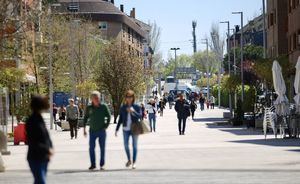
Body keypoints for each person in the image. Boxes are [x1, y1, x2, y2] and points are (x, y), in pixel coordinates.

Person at [26, 95, 53, 184]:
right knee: (40, 181)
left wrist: (50, 147)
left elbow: (46, 136)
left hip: (43, 157)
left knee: (39, 181)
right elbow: (32, 140)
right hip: (35, 157)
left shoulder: (40, 118)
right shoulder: (32, 121)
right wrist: (47, 149)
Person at [83, 91, 111, 170]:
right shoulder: (89, 107)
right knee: (91, 148)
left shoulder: (103, 106)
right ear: (92, 99)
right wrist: (84, 129)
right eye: (95, 98)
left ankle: (102, 164)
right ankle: (93, 164)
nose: (97, 99)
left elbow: (108, 116)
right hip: (92, 131)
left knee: (102, 148)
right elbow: (85, 118)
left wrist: (106, 126)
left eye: (98, 98)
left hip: (102, 131)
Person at [115, 90, 142, 169]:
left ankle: (134, 162)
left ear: (133, 98)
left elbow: (140, 116)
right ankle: (129, 159)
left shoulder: (136, 106)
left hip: (134, 128)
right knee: (126, 145)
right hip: (125, 129)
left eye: (130, 97)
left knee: (134, 146)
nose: (129, 98)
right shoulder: (123, 107)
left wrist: (133, 111)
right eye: (127, 97)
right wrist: (116, 129)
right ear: (125, 98)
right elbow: (120, 119)